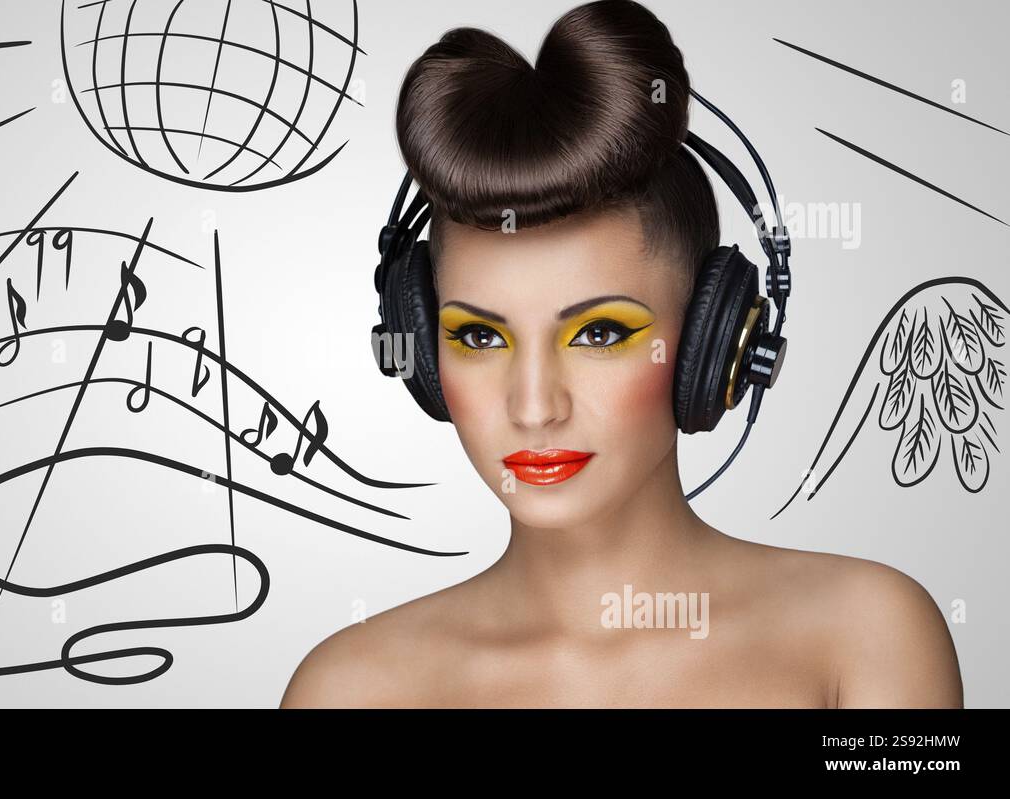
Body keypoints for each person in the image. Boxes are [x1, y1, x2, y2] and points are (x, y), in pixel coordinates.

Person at [280, 0, 962, 708]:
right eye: (479, 337)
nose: (536, 405)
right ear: (420, 352)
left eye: (600, 333)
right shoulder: (350, 689)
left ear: (718, 340)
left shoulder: (867, 633)